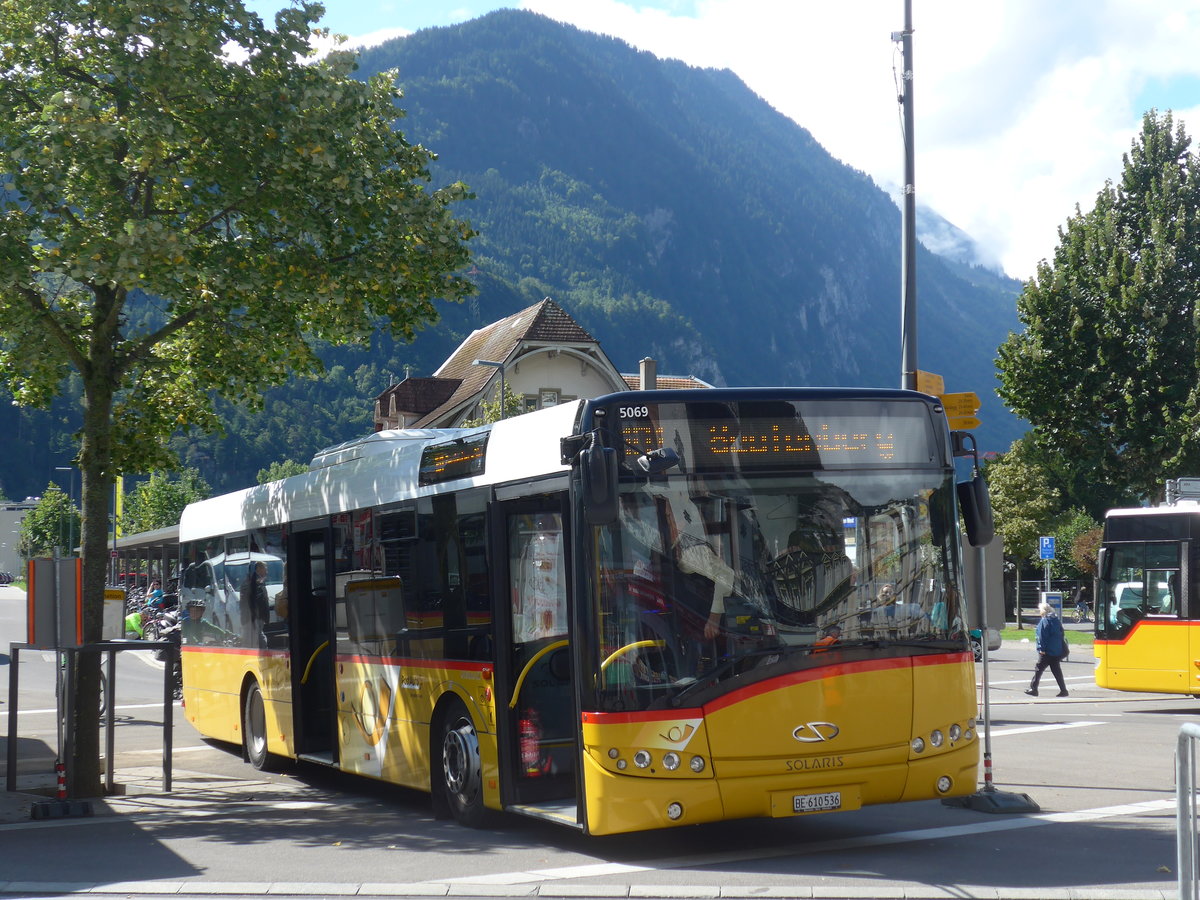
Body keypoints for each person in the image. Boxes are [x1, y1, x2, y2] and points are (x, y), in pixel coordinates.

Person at [1026, 601, 1069, 697]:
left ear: (1043, 611)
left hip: (1047, 651)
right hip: (1056, 650)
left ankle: (1034, 689)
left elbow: (1042, 636)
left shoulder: (1044, 621)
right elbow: (1061, 634)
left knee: (1038, 669)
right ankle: (1063, 690)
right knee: (1056, 671)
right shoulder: (1056, 620)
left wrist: (1042, 649)